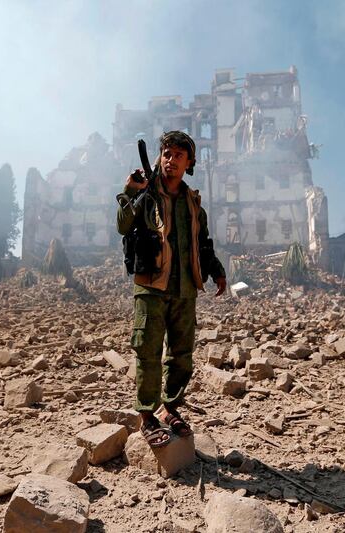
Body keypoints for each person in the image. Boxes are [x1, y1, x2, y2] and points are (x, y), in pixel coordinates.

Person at [116, 131, 226, 448]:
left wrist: (216, 271)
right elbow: (122, 226)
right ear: (159, 158)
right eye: (166, 153)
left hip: (185, 289)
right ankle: (147, 417)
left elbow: (203, 244)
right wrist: (130, 191)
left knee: (182, 357)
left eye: (179, 155)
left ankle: (171, 408)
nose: (171, 159)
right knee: (148, 351)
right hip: (151, 286)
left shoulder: (194, 204)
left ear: (189, 162)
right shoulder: (146, 194)